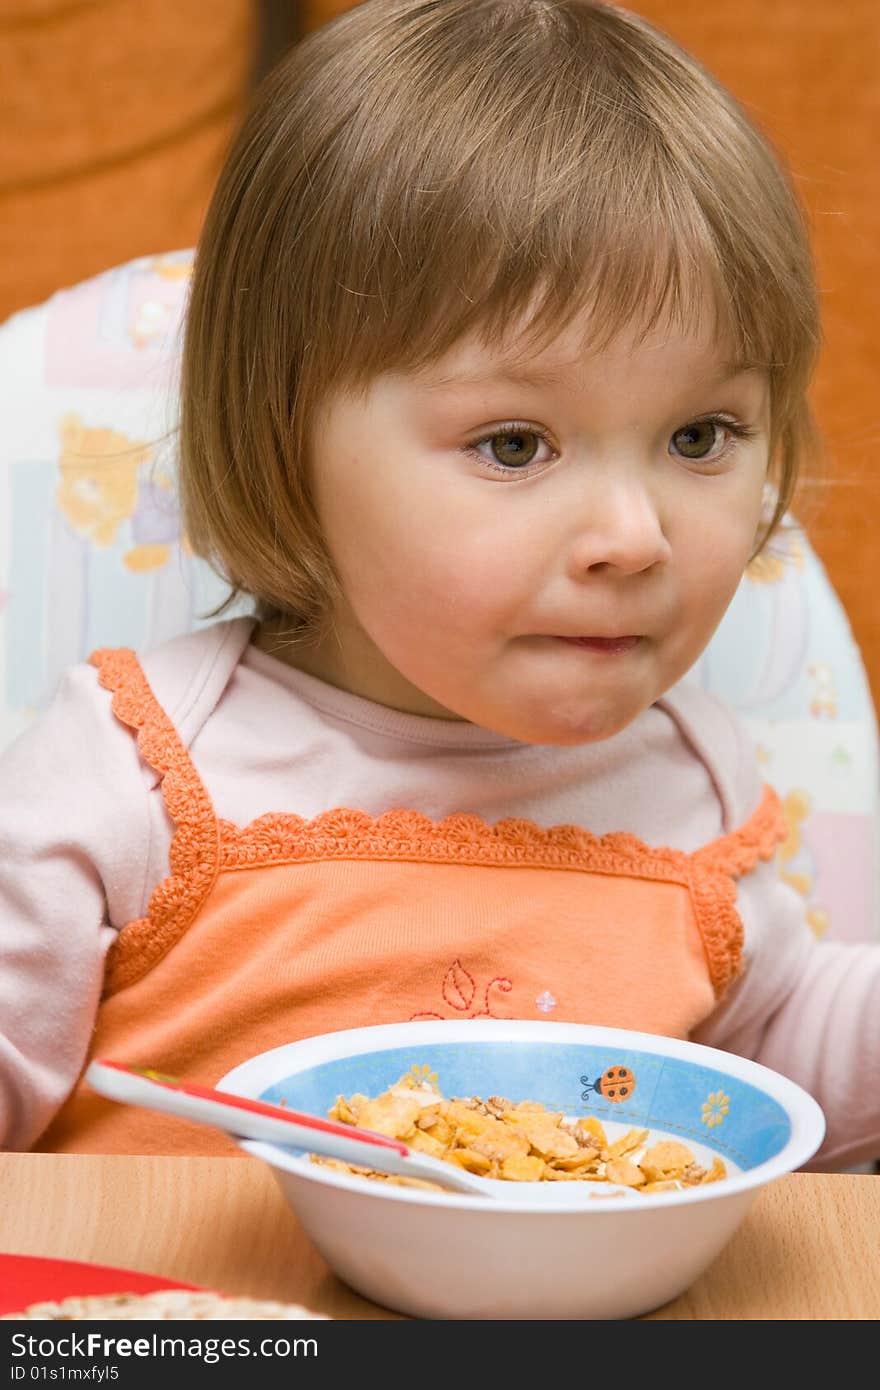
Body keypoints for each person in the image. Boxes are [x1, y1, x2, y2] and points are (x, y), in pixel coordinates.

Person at [1, 0, 877, 1168]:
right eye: (514, 445)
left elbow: (767, 1068)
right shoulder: (136, 776)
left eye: (702, 434)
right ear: (284, 445)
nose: (633, 535)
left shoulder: (695, 792)